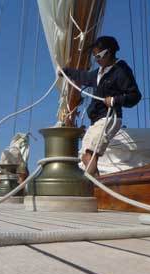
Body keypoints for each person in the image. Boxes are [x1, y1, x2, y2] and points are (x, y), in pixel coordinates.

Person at [61, 36, 142, 175]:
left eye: (98, 55)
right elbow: (83, 76)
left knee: (90, 156)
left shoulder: (120, 70)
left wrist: (115, 100)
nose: (96, 60)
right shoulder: (98, 73)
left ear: (109, 53)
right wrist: (65, 71)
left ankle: (88, 190)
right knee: (85, 157)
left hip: (109, 117)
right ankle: (98, 186)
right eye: (94, 56)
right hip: (96, 120)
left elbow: (135, 96)